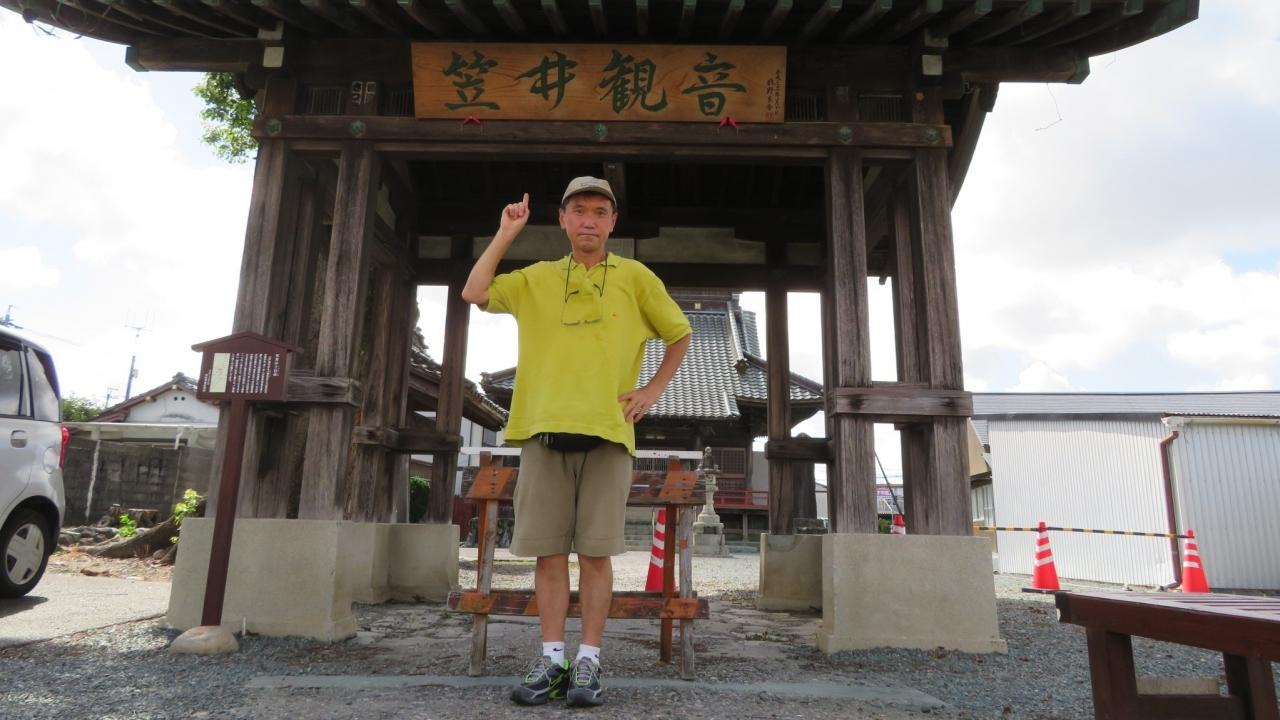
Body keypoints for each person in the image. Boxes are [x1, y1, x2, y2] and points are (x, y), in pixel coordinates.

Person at [461, 177, 691, 708]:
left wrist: (652, 391)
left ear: (613, 223)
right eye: (579, 210)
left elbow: (679, 333)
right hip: (543, 431)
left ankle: (589, 660)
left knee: (595, 554)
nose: (589, 219)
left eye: (600, 212)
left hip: (609, 433)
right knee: (548, 554)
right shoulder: (537, 278)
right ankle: (552, 659)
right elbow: (475, 292)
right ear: (563, 220)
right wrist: (506, 233)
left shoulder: (636, 277)